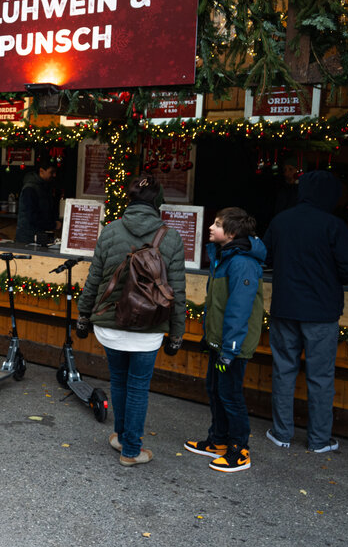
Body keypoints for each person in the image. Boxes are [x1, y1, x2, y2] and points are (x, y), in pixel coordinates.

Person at [76, 176, 186, 466]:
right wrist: (177, 334)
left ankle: (122, 438)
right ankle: (131, 450)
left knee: (119, 382)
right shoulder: (171, 237)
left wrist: (83, 315)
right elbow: (177, 291)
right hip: (149, 328)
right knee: (138, 387)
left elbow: (95, 279)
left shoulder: (110, 231)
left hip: (111, 325)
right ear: (157, 202)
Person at [263, 170, 348, 453]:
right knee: (321, 377)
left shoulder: (281, 220)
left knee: (283, 371)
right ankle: (318, 440)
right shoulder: (335, 225)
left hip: (285, 308)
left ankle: (281, 433)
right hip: (322, 312)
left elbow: (265, 257)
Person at [184, 208, 265, 473]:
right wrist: (211, 339)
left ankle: (239, 450)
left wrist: (229, 348)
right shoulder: (224, 258)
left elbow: (239, 310)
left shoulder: (243, 263)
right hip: (220, 344)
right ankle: (218, 441)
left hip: (233, 348)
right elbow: (217, 305)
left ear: (231, 233)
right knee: (215, 389)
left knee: (229, 394)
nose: (211, 227)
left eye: (217, 224)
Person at [15, 160, 60, 244]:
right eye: (51, 172)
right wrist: (53, 224)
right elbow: (32, 216)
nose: (54, 175)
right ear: (41, 171)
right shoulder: (30, 189)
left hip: (38, 235)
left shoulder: (44, 187)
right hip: (28, 238)